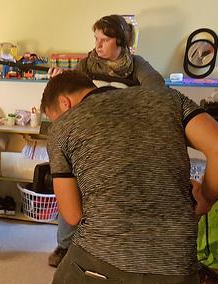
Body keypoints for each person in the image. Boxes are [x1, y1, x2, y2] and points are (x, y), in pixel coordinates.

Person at [28, 72, 218, 284]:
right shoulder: (167, 97)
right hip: (173, 262)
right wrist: (206, 198)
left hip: (98, 262)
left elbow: (73, 215)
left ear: (64, 103)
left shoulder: (63, 127)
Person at [47, 14, 165, 268]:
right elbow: (69, 91)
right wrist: (59, 79)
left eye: (104, 40)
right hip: (90, 138)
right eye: (96, 39)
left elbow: (157, 90)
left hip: (123, 139)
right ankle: (65, 245)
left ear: (120, 42)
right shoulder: (88, 65)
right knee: (70, 184)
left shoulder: (137, 65)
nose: (98, 46)